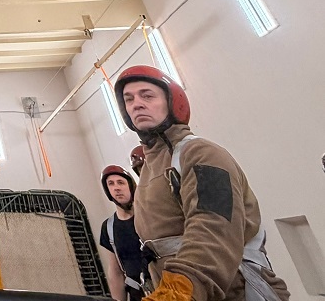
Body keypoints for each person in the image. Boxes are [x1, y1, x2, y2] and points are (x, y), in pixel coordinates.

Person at [114, 66, 289, 301]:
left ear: (172, 102)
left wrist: (179, 290)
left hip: (236, 293)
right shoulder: (148, 171)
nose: (137, 104)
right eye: (129, 99)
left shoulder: (201, 153)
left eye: (147, 96)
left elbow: (213, 228)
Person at [99, 164, 148, 301]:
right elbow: (115, 272)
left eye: (121, 182)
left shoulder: (149, 215)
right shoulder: (108, 227)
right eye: (111, 184)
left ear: (130, 186)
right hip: (138, 293)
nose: (116, 188)